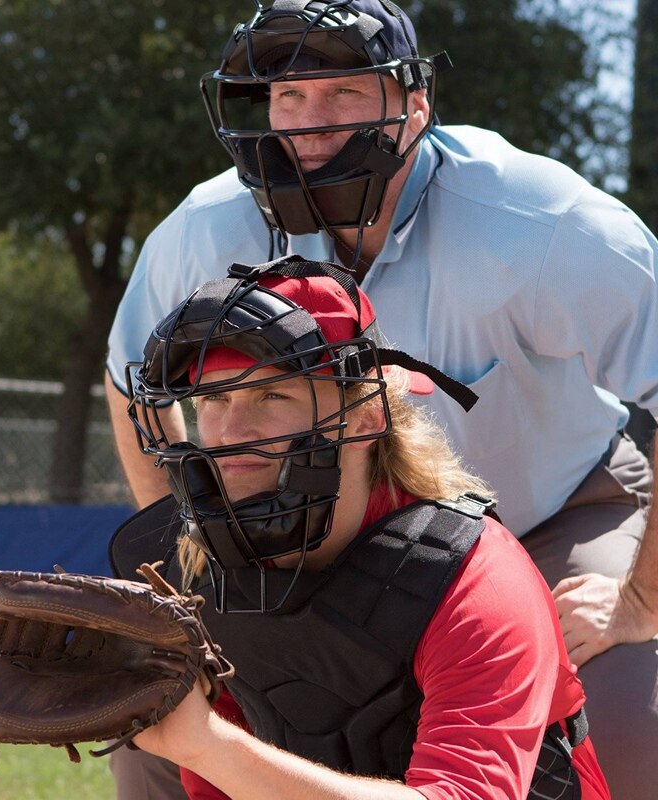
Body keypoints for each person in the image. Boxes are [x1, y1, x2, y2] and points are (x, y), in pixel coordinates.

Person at [105, 1, 658, 796]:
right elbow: (133, 385)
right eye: (287, 98)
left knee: (626, 720)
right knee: (154, 732)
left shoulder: (539, 221)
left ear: (415, 107)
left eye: (343, 93)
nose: (309, 121)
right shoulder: (207, 223)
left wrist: (640, 601)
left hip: (554, 512)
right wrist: (193, 562)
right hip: (313, 539)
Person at [116, 258, 610, 799]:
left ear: (369, 416)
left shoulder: (473, 580)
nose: (232, 432)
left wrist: (205, 744)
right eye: (214, 398)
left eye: (272, 395)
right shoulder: (213, 572)